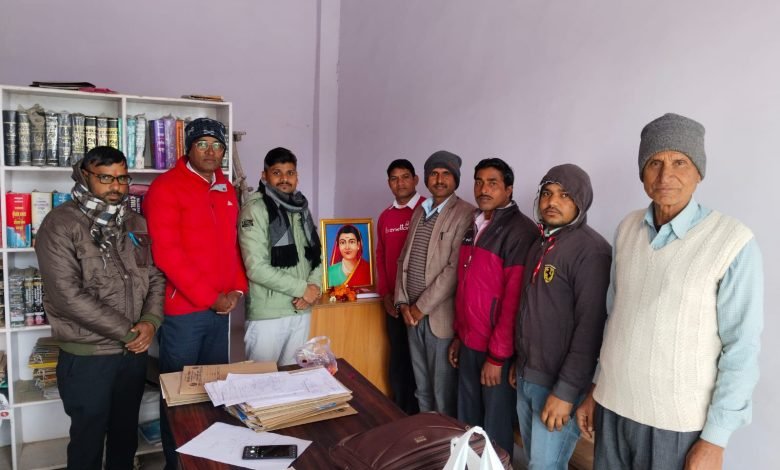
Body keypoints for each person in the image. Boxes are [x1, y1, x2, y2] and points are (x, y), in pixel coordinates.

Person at [576, 113, 763, 470]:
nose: (665, 176)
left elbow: (741, 347)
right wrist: (596, 388)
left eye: (680, 162)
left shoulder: (732, 241)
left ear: (699, 172)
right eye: (654, 163)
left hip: (676, 425)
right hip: (614, 408)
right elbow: (615, 318)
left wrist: (716, 439)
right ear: (642, 172)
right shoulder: (627, 228)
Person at [35, 146, 165, 470]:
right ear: (84, 176)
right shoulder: (60, 224)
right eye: (105, 178)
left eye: (122, 178)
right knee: (87, 443)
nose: (116, 186)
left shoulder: (134, 222)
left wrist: (150, 321)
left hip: (132, 355)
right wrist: (129, 332)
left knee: (124, 437)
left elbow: (154, 276)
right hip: (88, 357)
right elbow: (67, 296)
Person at [143, 117, 248, 469]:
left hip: (221, 309)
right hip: (184, 313)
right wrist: (211, 297)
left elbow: (233, 245)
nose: (210, 151)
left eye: (217, 145)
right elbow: (167, 254)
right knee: (180, 396)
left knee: (214, 394)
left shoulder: (225, 187)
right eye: (202, 144)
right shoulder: (165, 187)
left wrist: (236, 290)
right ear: (187, 148)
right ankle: (177, 465)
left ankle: (208, 462)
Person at [510, 163, 611, 469]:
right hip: (528, 375)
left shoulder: (592, 251)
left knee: (545, 466)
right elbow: (530, 309)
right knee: (535, 461)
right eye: (547, 193)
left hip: (558, 386)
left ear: (581, 201)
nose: (552, 201)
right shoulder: (541, 243)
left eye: (565, 195)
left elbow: (590, 331)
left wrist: (565, 393)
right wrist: (520, 362)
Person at [448, 158, 536, 454]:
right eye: (479, 182)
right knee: (468, 423)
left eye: (493, 183)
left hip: (495, 350)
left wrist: (497, 358)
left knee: (495, 429)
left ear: (509, 189)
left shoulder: (520, 231)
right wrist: (459, 335)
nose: (483, 189)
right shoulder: (474, 223)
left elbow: (514, 301)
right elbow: (465, 287)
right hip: (469, 341)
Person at [395, 150, 474, 417]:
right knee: (422, 389)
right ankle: (426, 437)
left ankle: (446, 442)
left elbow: (453, 270)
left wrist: (421, 307)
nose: (439, 179)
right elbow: (403, 258)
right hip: (411, 316)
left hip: (439, 318)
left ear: (456, 179)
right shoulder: (421, 210)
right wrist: (402, 302)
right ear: (426, 178)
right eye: (434, 174)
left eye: (446, 174)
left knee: (442, 394)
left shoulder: (465, 213)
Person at [239, 147, 322, 366]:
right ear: (264, 175)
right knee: (261, 382)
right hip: (268, 315)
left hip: (301, 310)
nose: (284, 178)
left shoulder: (301, 208)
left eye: (290, 173)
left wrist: (313, 288)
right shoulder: (255, 209)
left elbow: (317, 255)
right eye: (277, 173)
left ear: (296, 176)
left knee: (293, 378)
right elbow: (256, 267)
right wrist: (302, 289)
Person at [375, 158, 425, 414]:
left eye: (405, 177)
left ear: (415, 180)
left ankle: (420, 416)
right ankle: (399, 414)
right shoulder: (386, 216)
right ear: (389, 183)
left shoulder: (427, 209)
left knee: (420, 365)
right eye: (394, 179)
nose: (400, 183)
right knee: (399, 360)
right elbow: (381, 256)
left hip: (420, 305)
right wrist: (385, 294)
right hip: (394, 304)